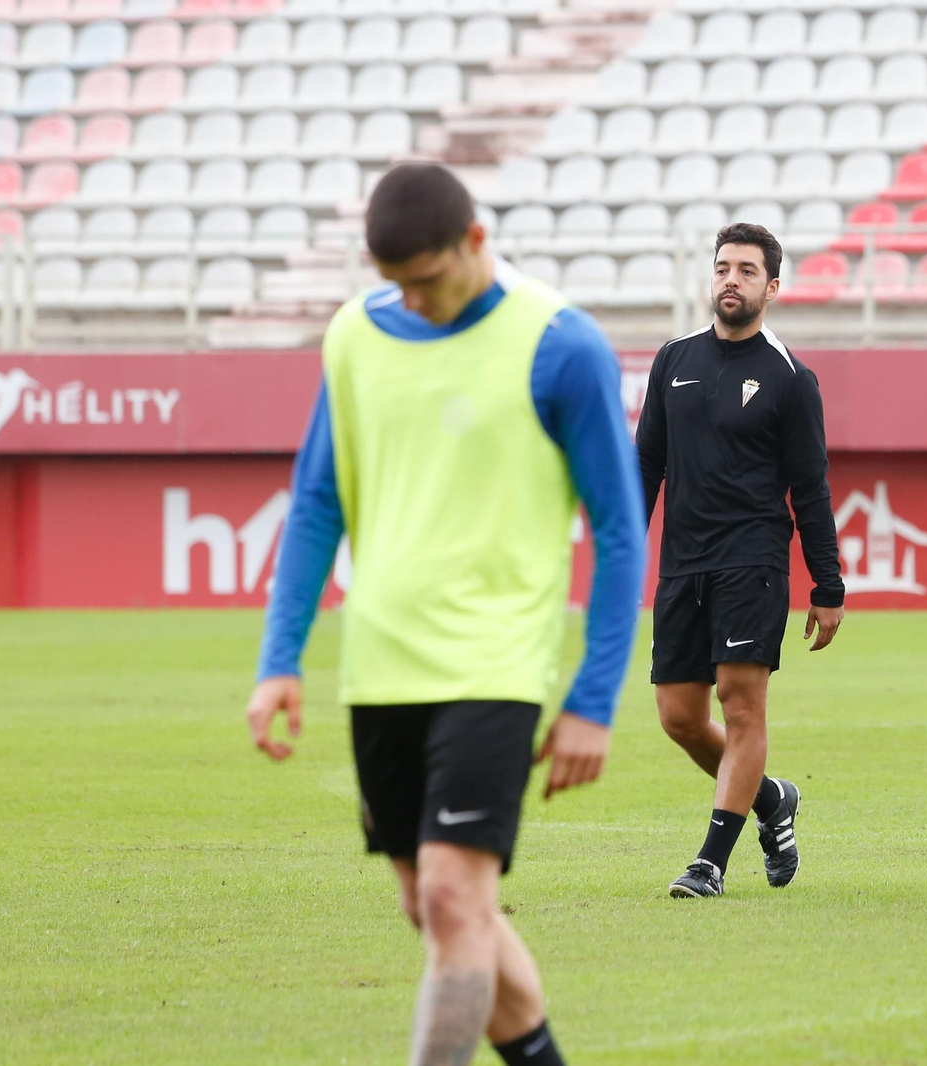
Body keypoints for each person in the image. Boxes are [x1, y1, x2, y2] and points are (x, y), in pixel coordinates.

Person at [243, 162, 645, 1066]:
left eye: (427, 279)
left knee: (454, 900)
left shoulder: (561, 344)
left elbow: (621, 531)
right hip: (380, 668)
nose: (414, 301)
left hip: (494, 666)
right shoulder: (353, 335)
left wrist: (593, 699)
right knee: (435, 907)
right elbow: (317, 503)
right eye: (396, 284)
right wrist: (279, 660)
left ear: (475, 240)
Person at [636, 223, 846, 899]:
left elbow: (810, 489)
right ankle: (771, 800)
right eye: (723, 268)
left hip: (752, 560)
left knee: (741, 706)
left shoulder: (791, 379)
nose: (731, 280)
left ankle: (710, 863)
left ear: (772, 287)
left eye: (747, 271)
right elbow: (646, 464)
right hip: (681, 563)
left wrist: (828, 584)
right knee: (678, 716)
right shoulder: (672, 360)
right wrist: (621, 550)